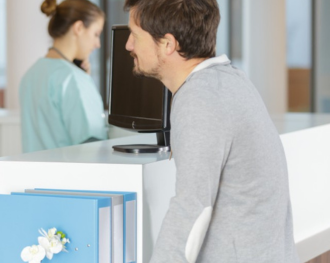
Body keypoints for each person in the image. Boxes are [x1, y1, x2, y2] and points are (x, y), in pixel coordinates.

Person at [122, 0, 299, 262]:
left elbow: (192, 209)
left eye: (135, 35)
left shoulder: (200, 99)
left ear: (168, 44)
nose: (128, 45)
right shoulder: (229, 80)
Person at [19, 0, 107, 153]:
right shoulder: (74, 79)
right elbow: (93, 146)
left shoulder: (30, 75)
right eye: (96, 34)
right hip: (68, 175)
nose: (97, 44)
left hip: (34, 175)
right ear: (78, 28)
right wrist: (83, 81)